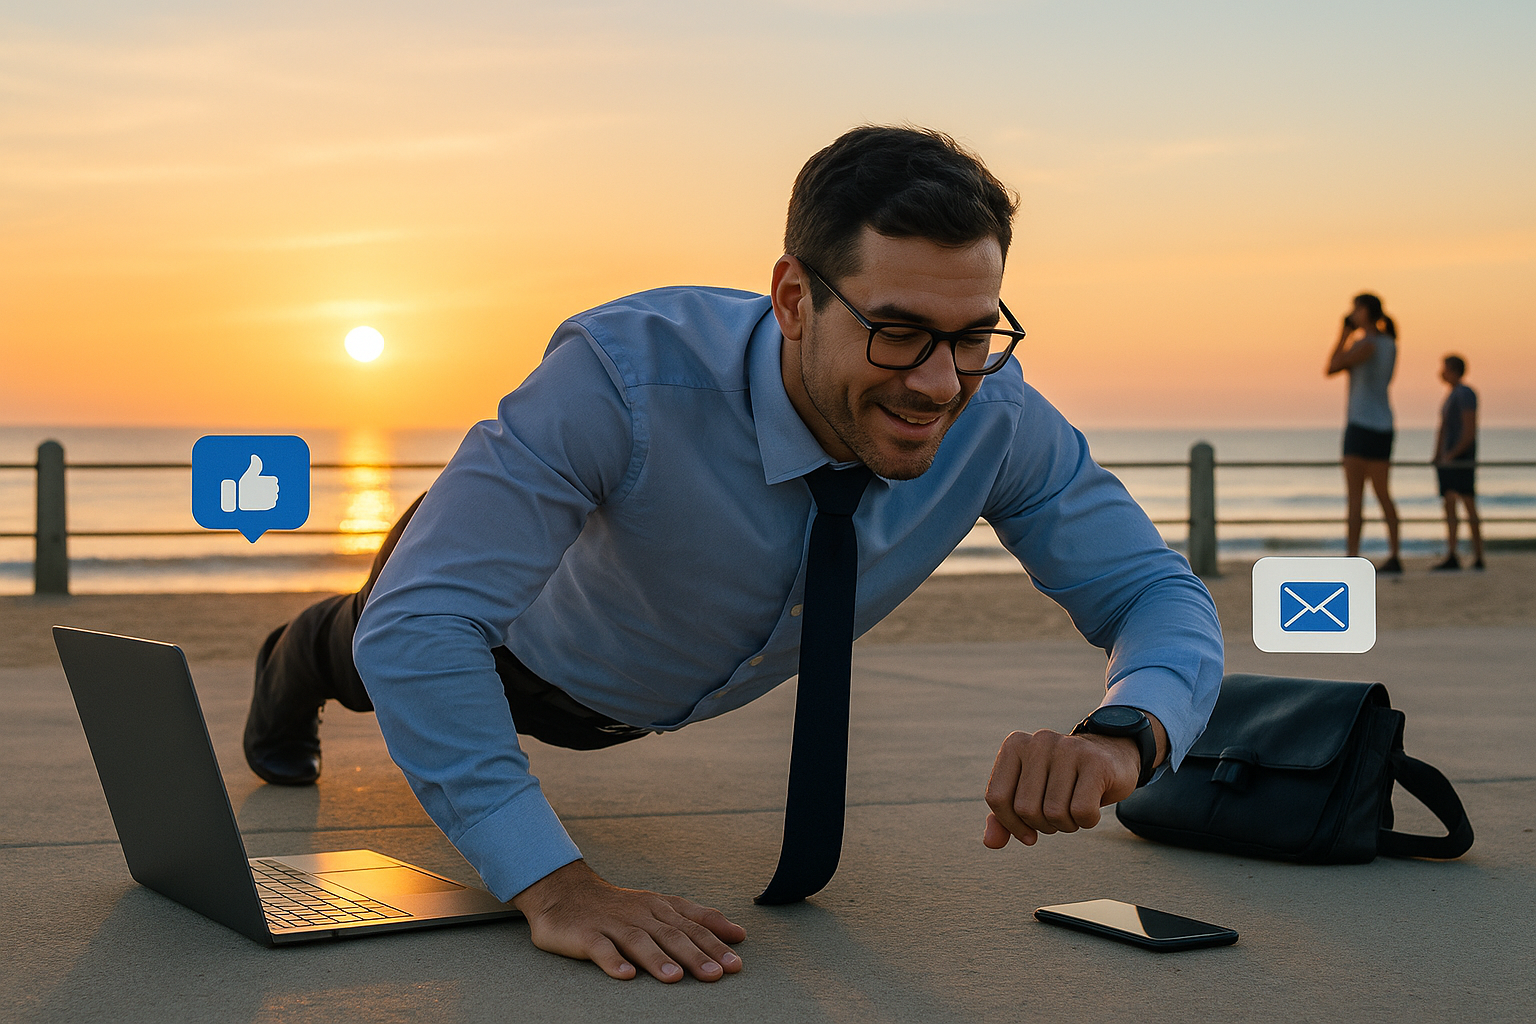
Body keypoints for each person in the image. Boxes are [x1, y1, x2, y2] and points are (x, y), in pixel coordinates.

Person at [243, 126, 1224, 983]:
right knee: (362, 639)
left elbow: (1151, 589)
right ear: (794, 299)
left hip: (627, 697)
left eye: (974, 335)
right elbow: (423, 624)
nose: (939, 383)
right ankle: (293, 657)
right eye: (898, 333)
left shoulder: (1000, 420)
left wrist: (1124, 733)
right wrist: (555, 885)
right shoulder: (623, 376)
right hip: (512, 634)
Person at [1326, 293, 1402, 572]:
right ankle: (1393, 554)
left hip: (1361, 426)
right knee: (1382, 494)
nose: (1352, 313)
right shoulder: (1389, 343)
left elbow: (1332, 366)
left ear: (1366, 311)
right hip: (1382, 425)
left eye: (1355, 309)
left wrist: (1344, 334)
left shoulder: (1367, 344)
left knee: (1356, 498)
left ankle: (1353, 557)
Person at [1431, 354, 1484, 570]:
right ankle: (1453, 553)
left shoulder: (1464, 394)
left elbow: (1469, 429)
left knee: (1467, 504)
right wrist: (1439, 455)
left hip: (1460, 459)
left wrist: (1452, 454)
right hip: (1449, 460)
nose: (1441, 372)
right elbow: (1444, 428)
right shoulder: (1453, 395)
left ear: (1452, 370)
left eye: (1444, 368)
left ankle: (1477, 555)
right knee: (1450, 505)